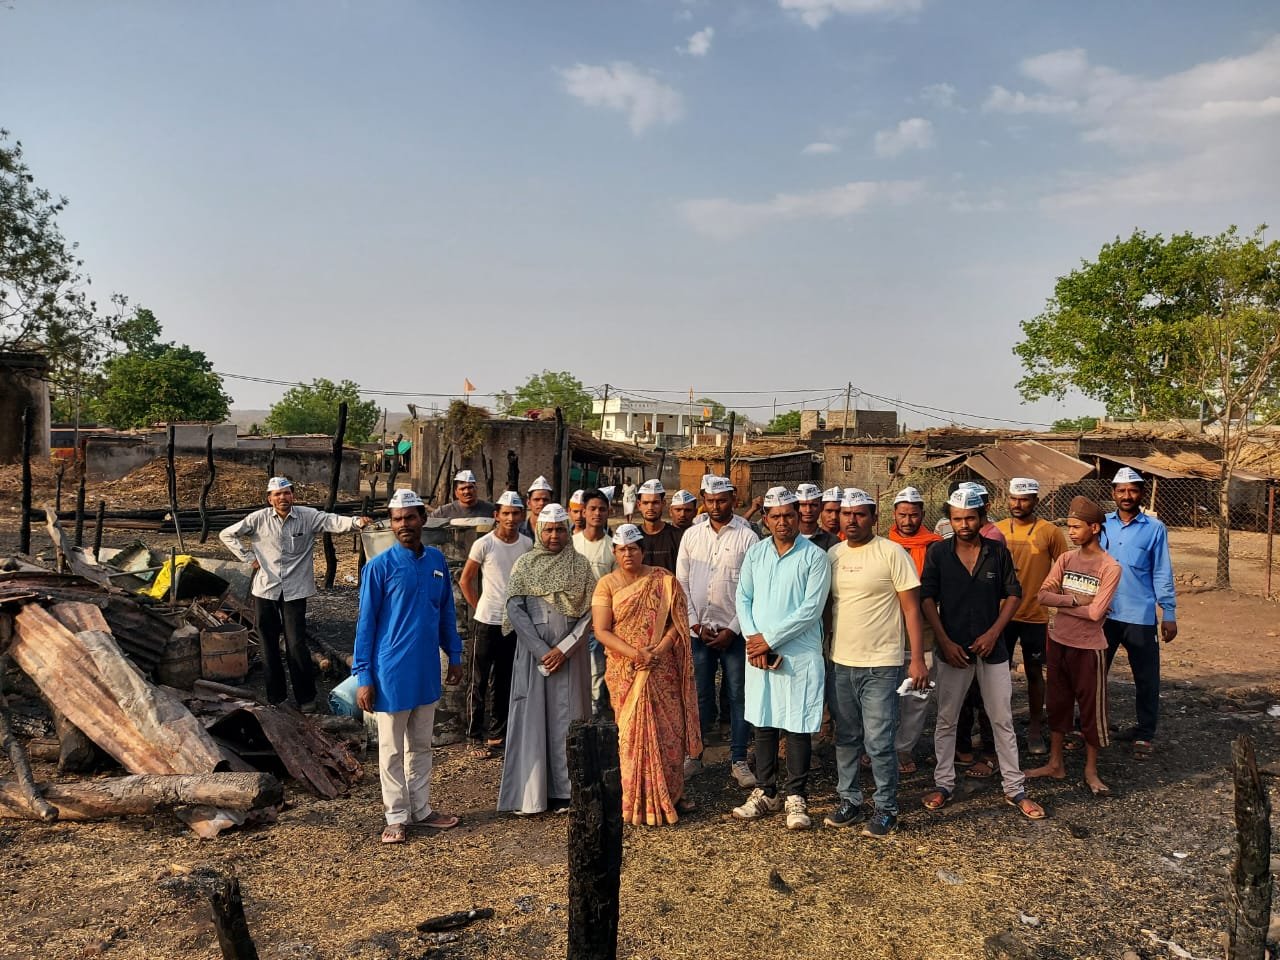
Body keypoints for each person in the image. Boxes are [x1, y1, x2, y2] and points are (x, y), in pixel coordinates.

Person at [920, 488, 1045, 820]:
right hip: (953, 651)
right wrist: (945, 642)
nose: (964, 524)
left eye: (970, 518)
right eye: (957, 518)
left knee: (1001, 718)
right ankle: (944, 783)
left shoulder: (997, 552)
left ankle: (1014, 789)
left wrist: (994, 632)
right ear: (950, 519)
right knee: (947, 719)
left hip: (993, 651)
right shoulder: (939, 553)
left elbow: (1014, 595)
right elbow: (927, 598)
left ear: (981, 517)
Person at [353, 489, 462, 843]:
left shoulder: (436, 562)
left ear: (422, 520)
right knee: (391, 749)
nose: (404, 525)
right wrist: (364, 675)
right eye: (397, 519)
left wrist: (455, 655)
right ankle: (396, 815)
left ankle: (422, 809)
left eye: (410, 517)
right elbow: (365, 625)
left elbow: (445, 611)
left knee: (421, 745)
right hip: (390, 673)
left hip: (427, 669)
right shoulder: (378, 567)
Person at [825, 488, 929, 836]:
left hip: (882, 664)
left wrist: (916, 660)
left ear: (873, 517)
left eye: (860, 514)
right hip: (841, 662)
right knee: (847, 737)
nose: (851, 520)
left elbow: (912, 609)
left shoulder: (892, 553)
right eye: (845, 514)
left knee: (879, 740)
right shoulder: (833, 555)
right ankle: (850, 800)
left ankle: (886, 807)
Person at [220, 476, 371, 712]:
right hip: (266, 589)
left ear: (293, 496)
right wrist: (249, 558)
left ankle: (306, 698)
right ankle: (276, 698)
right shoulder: (257, 519)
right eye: (277, 494)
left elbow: (330, 521)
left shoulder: (306, 516)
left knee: (296, 643)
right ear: (269, 499)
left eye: (287, 493)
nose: (283, 498)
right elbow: (227, 534)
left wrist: (356, 522)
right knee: (268, 644)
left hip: (295, 590)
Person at [732, 487, 832, 830]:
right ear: (766, 519)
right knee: (763, 721)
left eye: (789, 514)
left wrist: (768, 640)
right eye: (775, 516)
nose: (782, 522)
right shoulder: (756, 554)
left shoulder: (814, 556)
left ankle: (795, 796)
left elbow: (811, 610)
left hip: (799, 654)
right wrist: (753, 639)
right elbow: (743, 598)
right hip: (759, 652)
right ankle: (766, 791)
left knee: (798, 724)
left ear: (800, 515)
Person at [591, 524, 702, 825]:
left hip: (661, 668)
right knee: (630, 735)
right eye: (622, 549)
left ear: (642, 550)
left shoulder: (663, 580)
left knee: (669, 730)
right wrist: (636, 654)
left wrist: (658, 652)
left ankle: (672, 794)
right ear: (614, 552)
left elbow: (677, 624)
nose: (628, 554)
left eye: (634, 548)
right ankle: (635, 800)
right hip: (627, 670)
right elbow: (601, 630)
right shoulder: (606, 585)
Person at [498, 503, 596, 815]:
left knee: (568, 720)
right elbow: (515, 610)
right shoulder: (525, 565)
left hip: (571, 658)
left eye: (560, 529)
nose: (555, 535)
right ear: (539, 532)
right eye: (549, 530)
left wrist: (564, 648)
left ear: (569, 531)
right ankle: (533, 795)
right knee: (533, 721)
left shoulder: (580, 566)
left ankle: (568, 792)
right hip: (533, 658)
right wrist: (542, 650)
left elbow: (590, 612)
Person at [1027, 496, 1122, 796]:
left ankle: (1091, 770)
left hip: (1089, 648)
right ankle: (1056, 763)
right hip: (1058, 642)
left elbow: (1096, 614)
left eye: (1077, 526)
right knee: (1057, 703)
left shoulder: (1110, 567)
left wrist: (1063, 605)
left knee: (1091, 710)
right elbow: (1042, 595)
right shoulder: (1066, 559)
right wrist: (1072, 600)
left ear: (1095, 528)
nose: (1071, 532)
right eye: (1069, 526)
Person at [675, 475, 760, 788]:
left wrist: (734, 629)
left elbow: (752, 589)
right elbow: (681, 583)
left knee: (739, 695)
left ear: (733, 499)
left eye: (722, 500)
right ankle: (694, 755)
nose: (715, 506)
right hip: (699, 632)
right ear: (703, 500)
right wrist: (694, 622)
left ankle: (738, 759)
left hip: (734, 635)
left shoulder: (748, 537)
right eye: (710, 500)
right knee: (699, 695)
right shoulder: (692, 536)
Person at [1103, 467, 1177, 761]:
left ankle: (1145, 733)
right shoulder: (1101, 524)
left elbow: (1162, 570)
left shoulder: (1154, 528)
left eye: (1132, 490)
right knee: (1093, 675)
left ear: (1141, 494)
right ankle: (1090, 728)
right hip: (1103, 614)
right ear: (1113, 493)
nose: (1126, 495)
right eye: (1121, 490)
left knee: (1146, 679)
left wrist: (1168, 612)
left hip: (1140, 615)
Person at [995, 477, 1070, 756]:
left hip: (1035, 616)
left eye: (1024, 499)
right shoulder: (997, 530)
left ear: (1036, 501)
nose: (1018, 504)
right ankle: (995, 726)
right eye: (1014, 498)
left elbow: (1064, 569)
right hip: (1000, 616)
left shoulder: (1050, 532)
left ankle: (1036, 727)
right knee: (995, 674)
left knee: (1036, 672)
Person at [459, 490, 532, 759]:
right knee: (477, 681)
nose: (510, 518)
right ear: (496, 516)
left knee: (504, 681)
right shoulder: (484, 544)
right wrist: (479, 606)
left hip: (512, 623)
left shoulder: (526, 544)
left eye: (515, 513)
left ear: (521, 516)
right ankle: (473, 736)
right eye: (505, 514)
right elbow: (465, 579)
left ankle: (497, 734)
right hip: (487, 621)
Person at [885, 486, 942, 773]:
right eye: (903, 515)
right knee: (885, 695)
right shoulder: (884, 544)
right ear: (894, 514)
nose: (908, 521)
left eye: (914, 515)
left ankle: (904, 748)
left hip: (924, 631)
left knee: (917, 696)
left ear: (922, 515)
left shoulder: (935, 546)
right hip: (888, 630)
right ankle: (880, 747)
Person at [573, 488, 615, 718]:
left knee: (598, 672)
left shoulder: (613, 547)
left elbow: (617, 589)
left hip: (600, 624)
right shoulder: (571, 545)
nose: (597, 513)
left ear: (608, 512)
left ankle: (597, 718)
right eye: (592, 509)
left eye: (601, 509)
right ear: (583, 512)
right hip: (573, 621)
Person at [635, 478, 683, 574]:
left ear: (663, 504)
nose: (650, 507)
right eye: (645, 503)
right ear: (639, 505)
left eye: (655, 503)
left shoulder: (678, 536)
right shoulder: (633, 537)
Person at [430, 469, 497, 519]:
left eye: (470, 487)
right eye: (462, 489)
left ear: (476, 489)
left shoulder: (491, 510)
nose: (467, 491)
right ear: (456, 493)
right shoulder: (443, 512)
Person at [796, 482, 839, 551]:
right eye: (803, 505)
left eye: (814, 505)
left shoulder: (832, 541)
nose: (808, 510)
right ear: (796, 507)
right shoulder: (786, 538)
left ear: (821, 507)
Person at [518, 476, 553, 540]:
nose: (541, 503)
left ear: (551, 503)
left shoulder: (557, 532)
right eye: (536, 499)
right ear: (528, 503)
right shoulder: (517, 531)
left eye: (545, 500)